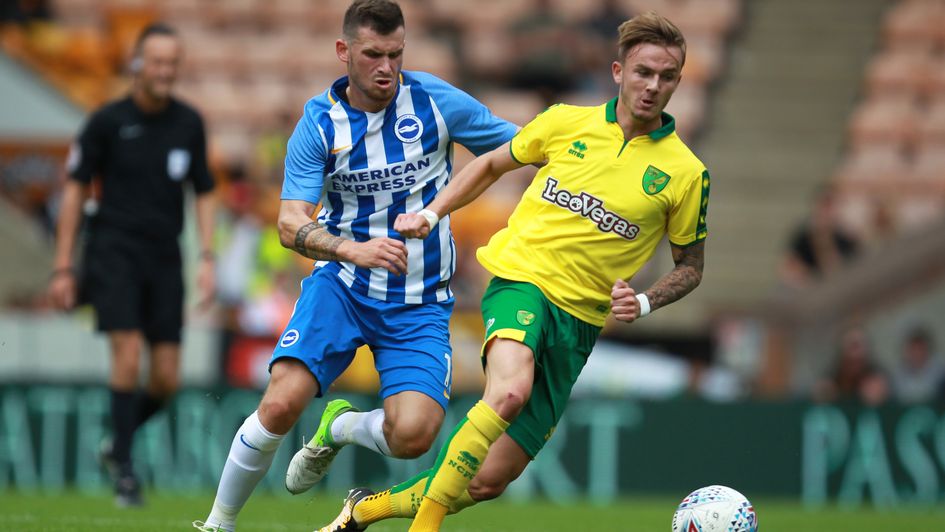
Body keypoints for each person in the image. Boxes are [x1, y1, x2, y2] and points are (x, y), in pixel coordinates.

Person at [317, 11, 709, 532]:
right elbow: (488, 165)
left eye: (667, 76)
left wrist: (644, 301)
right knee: (506, 392)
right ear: (618, 71)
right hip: (521, 282)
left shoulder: (686, 174)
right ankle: (424, 526)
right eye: (644, 72)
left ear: (679, 80)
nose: (653, 86)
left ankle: (363, 511)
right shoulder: (566, 121)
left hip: (581, 321)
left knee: (487, 481)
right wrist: (434, 213)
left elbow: (690, 266)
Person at [194, 1, 517, 530]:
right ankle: (218, 523)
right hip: (341, 287)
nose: (386, 67)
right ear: (345, 52)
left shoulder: (435, 101)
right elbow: (288, 223)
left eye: (395, 54)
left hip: (419, 301)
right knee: (280, 404)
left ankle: (340, 428)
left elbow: (519, 145)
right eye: (373, 54)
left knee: (414, 435)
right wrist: (351, 250)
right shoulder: (318, 125)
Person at [47, 22, 216, 507]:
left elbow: (203, 191)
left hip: (165, 256)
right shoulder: (106, 121)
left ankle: (116, 443)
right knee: (126, 352)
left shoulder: (189, 122)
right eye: (157, 61)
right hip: (113, 252)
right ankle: (125, 473)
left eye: (172, 63)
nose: (165, 71)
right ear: (137, 65)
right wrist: (63, 266)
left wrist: (206, 257)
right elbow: (76, 188)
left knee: (166, 379)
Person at [780, 185, 860, 288]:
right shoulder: (803, 235)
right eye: (824, 206)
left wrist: (824, 240)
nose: (827, 212)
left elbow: (839, 273)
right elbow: (789, 269)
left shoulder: (846, 238)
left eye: (831, 206)